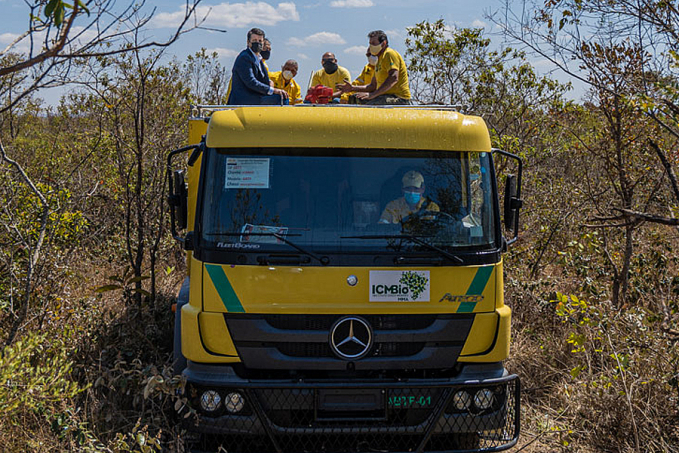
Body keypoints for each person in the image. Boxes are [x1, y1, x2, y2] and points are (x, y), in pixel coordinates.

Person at [340, 30, 411, 105]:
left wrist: (373, 95)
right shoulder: (378, 60)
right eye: (370, 44)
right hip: (383, 96)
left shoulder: (389, 53)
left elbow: (393, 77)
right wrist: (353, 88)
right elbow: (372, 86)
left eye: (373, 43)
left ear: (383, 43)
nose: (371, 47)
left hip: (398, 98)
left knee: (371, 104)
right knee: (354, 98)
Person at [227, 28, 288, 105]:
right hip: (244, 100)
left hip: (256, 97)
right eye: (254, 41)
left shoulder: (259, 58)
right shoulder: (244, 57)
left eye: (260, 41)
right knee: (280, 98)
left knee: (282, 95)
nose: (258, 43)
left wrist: (269, 82)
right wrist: (273, 90)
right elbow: (251, 82)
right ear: (248, 42)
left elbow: (262, 78)